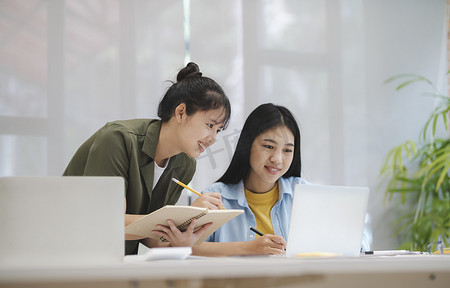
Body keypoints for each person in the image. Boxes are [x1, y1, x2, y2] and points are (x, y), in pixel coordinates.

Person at [63, 62, 231, 255]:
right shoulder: (117, 139)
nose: (213, 138)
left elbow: (151, 239)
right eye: (210, 125)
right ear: (181, 112)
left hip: (118, 263)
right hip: (67, 254)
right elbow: (108, 222)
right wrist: (183, 216)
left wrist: (184, 231)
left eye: (218, 130)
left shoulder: (185, 164)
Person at [191, 103, 371, 257]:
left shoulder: (303, 194)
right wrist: (248, 249)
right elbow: (187, 249)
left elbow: (358, 241)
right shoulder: (214, 199)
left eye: (287, 150)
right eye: (268, 146)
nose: (277, 159)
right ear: (247, 145)